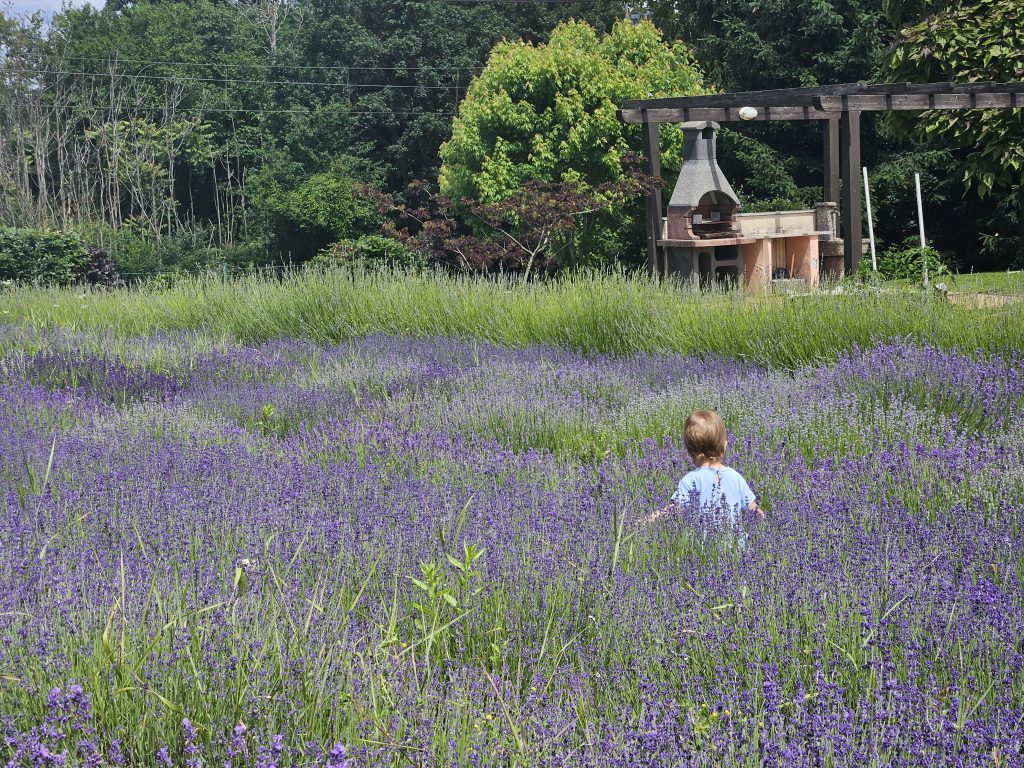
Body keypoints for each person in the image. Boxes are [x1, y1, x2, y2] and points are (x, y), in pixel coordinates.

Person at [648, 409, 763, 527]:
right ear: (724, 445)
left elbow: (675, 509)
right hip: (735, 543)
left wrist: (647, 520)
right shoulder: (736, 477)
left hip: (702, 544)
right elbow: (754, 510)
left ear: (689, 450)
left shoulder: (691, 479)